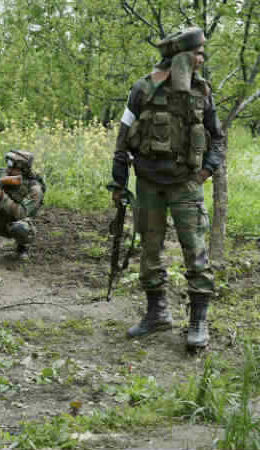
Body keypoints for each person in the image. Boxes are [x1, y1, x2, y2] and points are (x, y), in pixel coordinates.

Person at [109, 27, 225, 351]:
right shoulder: (142, 89)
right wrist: (119, 182)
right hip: (148, 184)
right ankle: (157, 313)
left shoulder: (202, 92)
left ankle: (198, 322)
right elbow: (122, 140)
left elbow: (217, 137)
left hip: (185, 184)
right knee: (149, 251)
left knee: (195, 253)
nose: (201, 59)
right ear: (180, 57)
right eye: (197, 54)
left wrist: (205, 171)